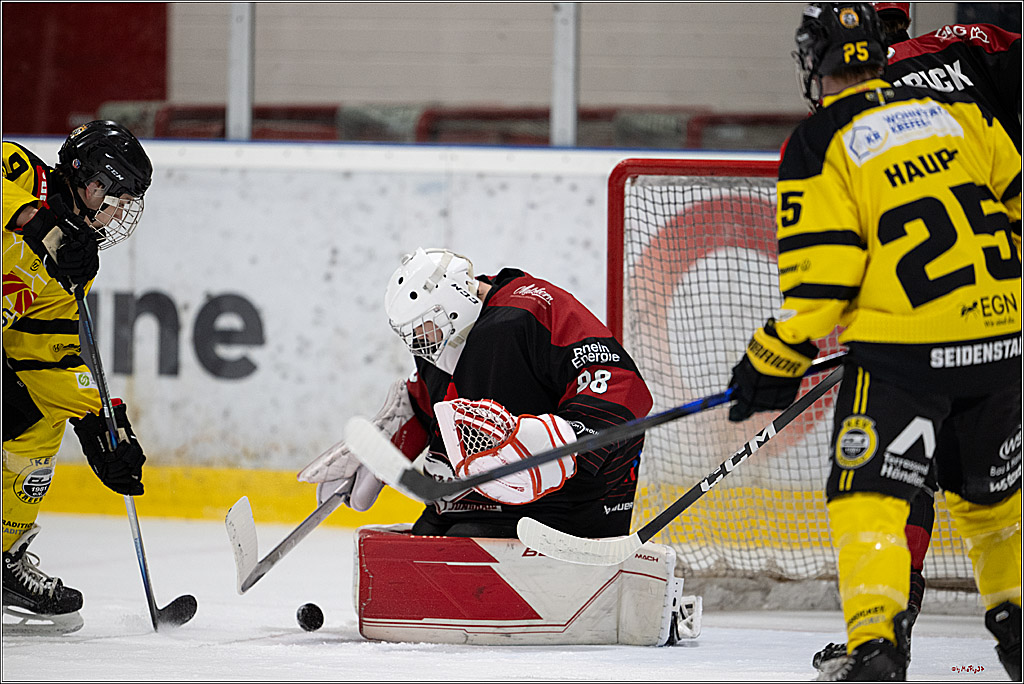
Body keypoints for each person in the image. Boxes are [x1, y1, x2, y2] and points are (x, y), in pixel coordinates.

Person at [727, 3, 1021, 680]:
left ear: (817, 61)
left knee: (871, 499)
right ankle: (1016, 629)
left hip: (905, 355)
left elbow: (821, 287)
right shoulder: (960, 114)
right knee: (994, 505)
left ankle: (877, 649)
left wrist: (772, 358)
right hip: (1001, 340)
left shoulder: (819, 139)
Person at [297, 249, 702, 647]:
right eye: (413, 335)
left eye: (426, 329)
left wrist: (565, 440)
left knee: (467, 545)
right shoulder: (440, 343)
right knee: (418, 550)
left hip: (567, 502)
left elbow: (622, 388)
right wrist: (388, 442)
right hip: (478, 499)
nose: (421, 343)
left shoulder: (531, 309)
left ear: (454, 302)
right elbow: (427, 406)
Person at [3, 121, 152, 634]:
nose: (117, 213)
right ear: (94, 183)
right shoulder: (22, 175)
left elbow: (48, 351)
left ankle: (0, 560)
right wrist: (32, 220)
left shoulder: (76, 262)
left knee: (35, 417)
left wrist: (99, 422)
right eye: (118, 199)